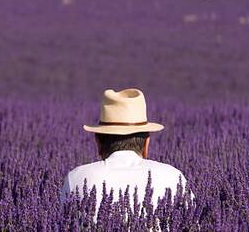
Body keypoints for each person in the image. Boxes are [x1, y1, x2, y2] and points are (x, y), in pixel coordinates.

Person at [61, 88, 190, 213]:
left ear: (98, 142)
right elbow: (194, 225)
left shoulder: (75, 178)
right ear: (146, 143)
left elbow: (62, 228)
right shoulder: (174, 177)